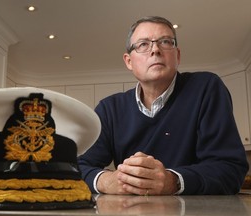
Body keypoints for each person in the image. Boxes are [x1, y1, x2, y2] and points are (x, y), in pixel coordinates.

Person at [78, 16, 249, 195]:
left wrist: (173, 181)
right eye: (143, 44)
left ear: (178, 55)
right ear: (129, 61)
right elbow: (78, 167)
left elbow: (230, 168)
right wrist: (106, 181)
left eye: (165, 41)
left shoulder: (206, 88)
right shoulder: (109, 109)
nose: (155, 50)